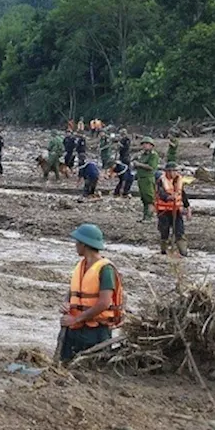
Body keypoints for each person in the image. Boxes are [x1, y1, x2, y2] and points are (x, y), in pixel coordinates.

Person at [58, 224, 124, 362]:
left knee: (91, 368)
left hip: (95, 332)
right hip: (74, 330)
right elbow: (73, 292)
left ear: (84, 244)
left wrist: (76, 319)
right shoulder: (81, 266)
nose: (75, 245)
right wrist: (66, 303)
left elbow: (104, 303)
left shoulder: (105, 269)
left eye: (77, 242)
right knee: (65, 364)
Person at [155, 162, 191, 256]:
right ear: (167, 171)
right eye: (171, 171)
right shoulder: (161, 181)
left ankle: (183, 252)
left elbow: (182, 194)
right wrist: (169, 198)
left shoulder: (179, 180)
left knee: (180, 231)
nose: (174, 173)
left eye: (175, 171)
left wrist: (188, 208)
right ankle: (164, 251)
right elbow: (161, 193)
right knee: (164, 232)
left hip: (176, 210)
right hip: (164, 211)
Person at [133, 137, 160, 222]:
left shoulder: (153, 155)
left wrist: (139, 164)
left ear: (151, 145)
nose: (144, 146)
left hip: (148, 179)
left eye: (146, 144)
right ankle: (144, 217)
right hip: (141, 179)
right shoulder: (142, 155)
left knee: (149, 198)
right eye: (143, 144)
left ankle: (149, 217)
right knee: (144, 198)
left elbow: (151, 167)